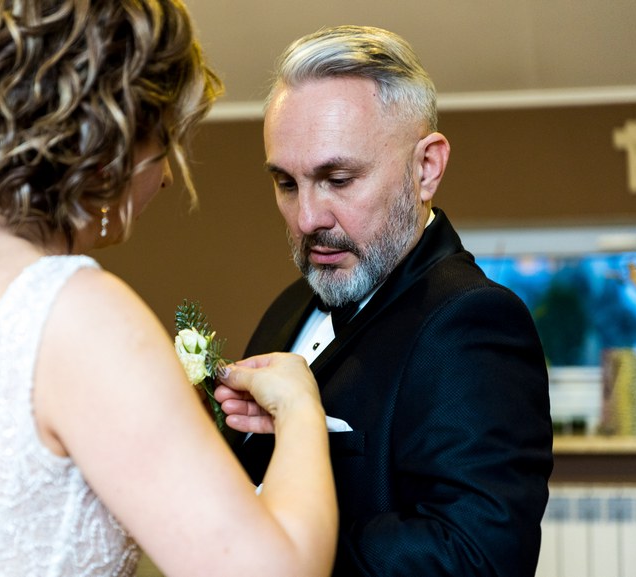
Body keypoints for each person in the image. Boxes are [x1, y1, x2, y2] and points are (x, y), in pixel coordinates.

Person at [0, 2, 338, 576]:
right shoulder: (71, 311)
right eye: (165, 142)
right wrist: (301, 407)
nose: (166, 176)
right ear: (115, 140)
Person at [217, 25, 553, 577]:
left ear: (426, 169)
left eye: (338, 178)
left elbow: (476, 558)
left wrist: (281, 546)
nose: (307, 218)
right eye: (286, 183)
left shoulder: (473, 322)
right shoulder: (288, 306)